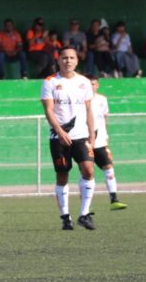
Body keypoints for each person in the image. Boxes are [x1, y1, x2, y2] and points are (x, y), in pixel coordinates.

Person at [40, 46, 97, 231]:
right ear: (58, 60)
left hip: (81, 136)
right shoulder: (50, 82)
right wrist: (59, 131)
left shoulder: (84, 82)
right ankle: (65, 216)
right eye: (64, 58)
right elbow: (48, 110)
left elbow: (89, 110)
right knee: (62, 175)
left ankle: (84, 214)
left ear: (77, 60)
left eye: (72, 58)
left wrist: (92, 135)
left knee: (88, 170)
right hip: (59, 137)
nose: (68, 61)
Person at [88, 75, 128, 211]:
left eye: (94, 84)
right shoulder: (80, 101)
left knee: (109, 167)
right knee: (87, 172)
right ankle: (86, 207)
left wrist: (106, 142)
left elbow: (104, 121)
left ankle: (114, 199)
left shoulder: (102, 100)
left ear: (97, 85)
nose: (92, 86)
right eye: (89, 84)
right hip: (85, 142)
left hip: (100, 143)